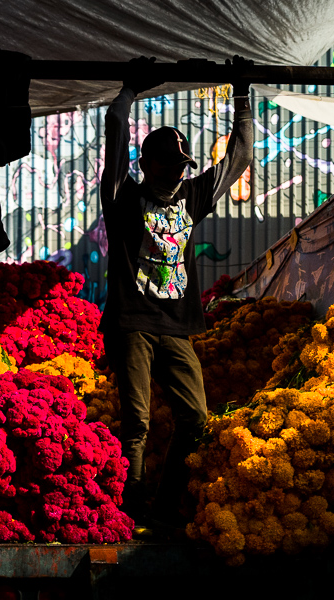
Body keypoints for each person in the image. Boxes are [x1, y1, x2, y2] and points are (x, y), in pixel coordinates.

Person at [99, 56, 254, 532]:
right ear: (147, 165)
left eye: (182, 166)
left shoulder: (192, 196)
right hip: (132, 324)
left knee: (196, 418)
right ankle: (132, 510)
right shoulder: (123, 196)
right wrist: (128, 91)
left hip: (178, 328)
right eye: (167, 165)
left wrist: (243, 96)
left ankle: (163, 508)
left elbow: (239, 157)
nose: (176, 173)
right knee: (137, 422)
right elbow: (114, 131)